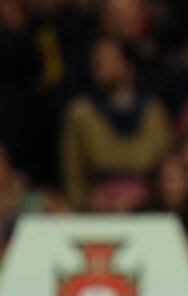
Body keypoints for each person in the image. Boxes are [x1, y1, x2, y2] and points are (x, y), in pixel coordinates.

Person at [60, 37, 172, 211]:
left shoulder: (153, 112)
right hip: (97, 211)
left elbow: (165, 165)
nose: (98, 66)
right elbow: (73, 175)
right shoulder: (80, 114)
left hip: (147, 209)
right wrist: (84, 204)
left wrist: (149, 199)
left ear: (128, 64)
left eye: (107, 59)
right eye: (96, 60)